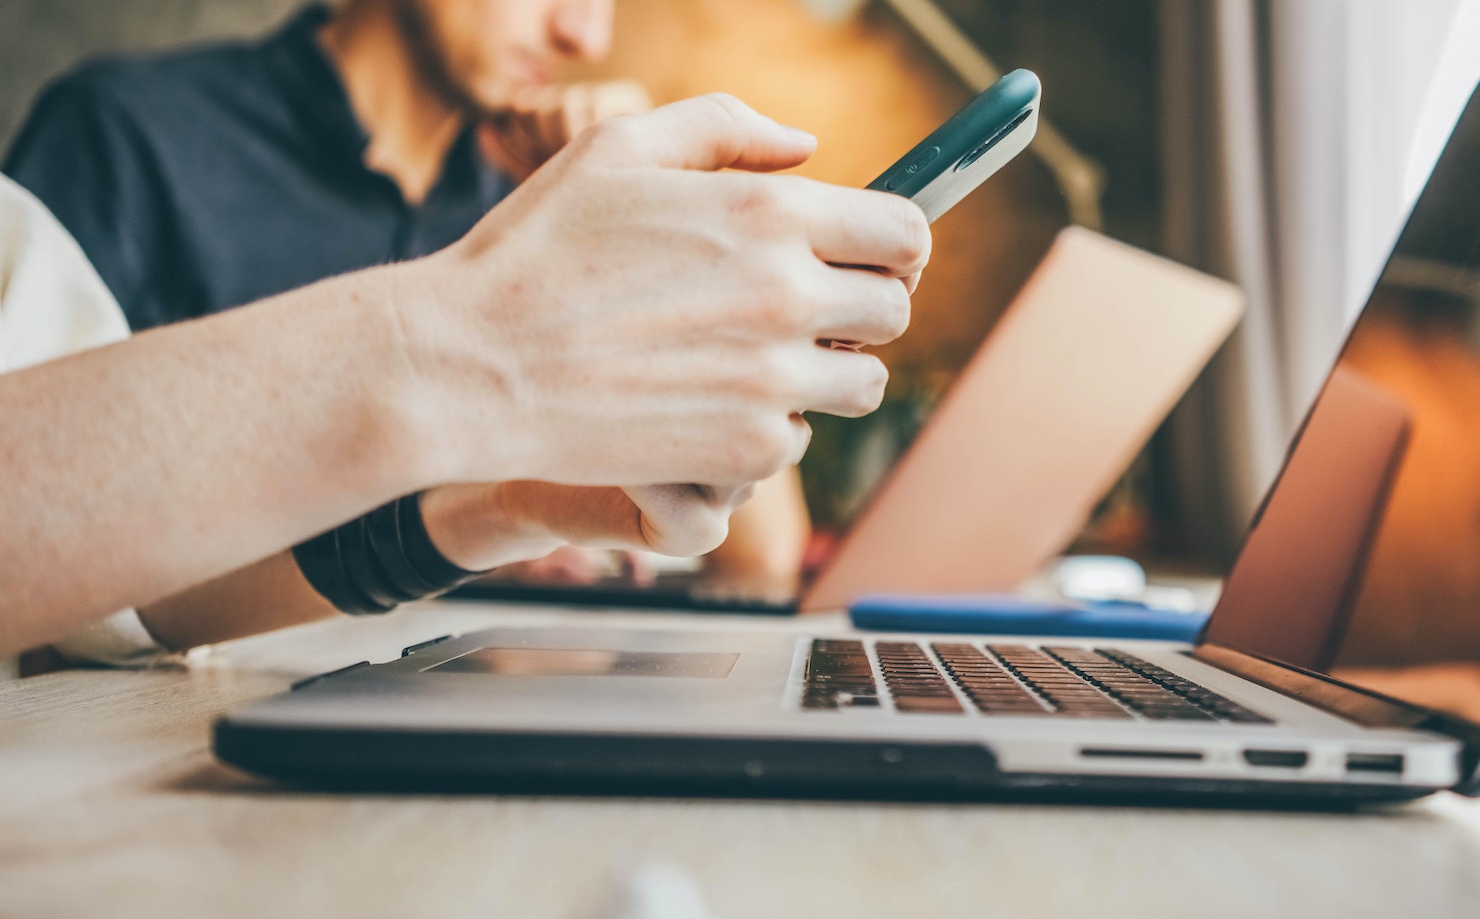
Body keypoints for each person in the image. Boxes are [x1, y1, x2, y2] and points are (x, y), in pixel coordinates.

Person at [4, 0, 806, 604]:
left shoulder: (541, 205)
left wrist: (673, 211)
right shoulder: (130, 137)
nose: (589, 31)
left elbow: (762, 558)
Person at [0, 93, 930, 661]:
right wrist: (461, 344)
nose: (586, 29)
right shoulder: (138, 137)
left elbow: (96, 596)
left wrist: (492, 508)